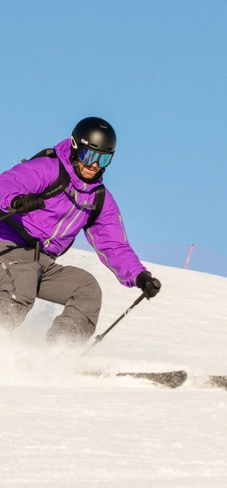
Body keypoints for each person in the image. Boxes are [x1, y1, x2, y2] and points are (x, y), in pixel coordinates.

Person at [0, 117, 160, 346]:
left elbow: (114, 245)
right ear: (76, 148)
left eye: (102, 159)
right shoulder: (49, 168)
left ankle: (60, 351)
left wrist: (140, 276)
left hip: (41, 262)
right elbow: (8, 182)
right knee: (22, 281)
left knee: (87, 289)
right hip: (8, 244)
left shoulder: (99, 199)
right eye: (89, 156)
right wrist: (17, 200)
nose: (94, 165)